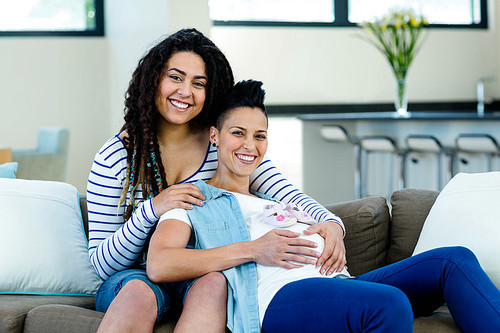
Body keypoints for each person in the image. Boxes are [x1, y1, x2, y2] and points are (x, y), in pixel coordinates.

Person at [148, 79, 500, 333]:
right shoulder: (195, 198)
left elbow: (323, 219)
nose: (250, 146)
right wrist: (254, 249)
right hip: (278, 297)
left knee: (453, 260)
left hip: (341, 285)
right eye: (238, 133)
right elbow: (160, 263)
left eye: (260, 135)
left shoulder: (274, 198)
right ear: (215, 136)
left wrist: (332, 226)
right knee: (390, 304)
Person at [87, 29, 346, 332]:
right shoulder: (116, 156)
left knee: (214, 284)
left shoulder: (222, 144)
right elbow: (102, 264)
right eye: (175, 77)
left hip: (202, 269)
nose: (185, 91)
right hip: (133, 278)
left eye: (199, 83)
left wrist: (333, 224)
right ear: (154, 79)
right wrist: (152, 210)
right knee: (138, 292)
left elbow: (288, 195)